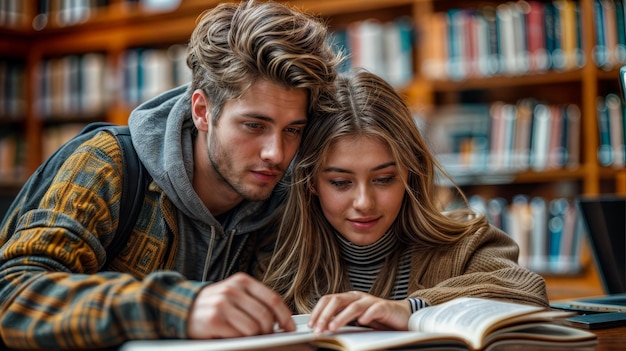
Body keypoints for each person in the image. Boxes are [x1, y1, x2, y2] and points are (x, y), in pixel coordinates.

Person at [0, 1, 341, 349]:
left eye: (293, 130)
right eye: (254, 125)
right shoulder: (106, 163)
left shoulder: (285, 199)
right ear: (202, 111)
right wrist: (176, 306)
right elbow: (13, 296)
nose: (276, 154)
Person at [261, 69, 549, 334]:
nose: (364, 202)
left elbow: (527, 293)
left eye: (384, 178)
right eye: (340, 182)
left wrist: (411, 309)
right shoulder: (277, 260)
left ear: (410, 173)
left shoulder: (467, 245)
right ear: (310, 181)